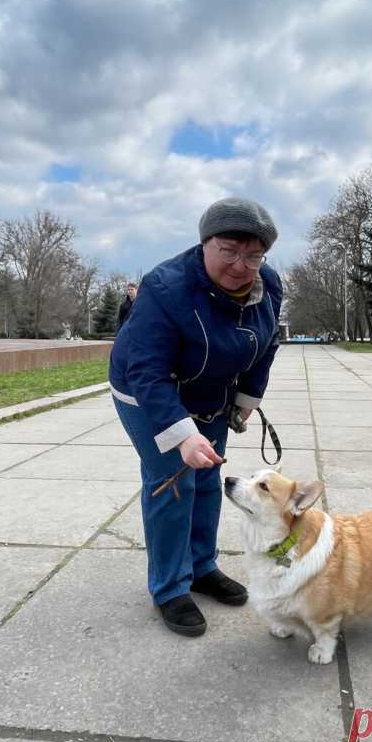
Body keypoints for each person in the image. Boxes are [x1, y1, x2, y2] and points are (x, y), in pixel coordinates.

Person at [109, 197, 282, 637]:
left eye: (253, 255)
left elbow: (267, 345)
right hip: (148, 391)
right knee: (173, 481)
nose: (241, 265)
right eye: (229, 250)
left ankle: (202, 567)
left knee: (208, 478)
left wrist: (247, 398)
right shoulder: (166, 287)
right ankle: (169, 587)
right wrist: (182, 434)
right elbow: (146, 369)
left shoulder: (270, 286)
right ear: (205, 243)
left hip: (211, 392)